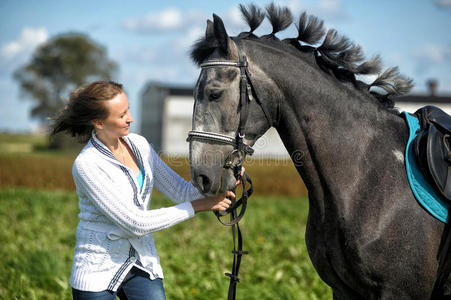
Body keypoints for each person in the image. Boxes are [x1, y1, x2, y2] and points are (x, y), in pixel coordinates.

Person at [51, 81, 239, 300]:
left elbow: (182, 192)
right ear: (99, 122)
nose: (130, 118)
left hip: (141, 261)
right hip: (96, 271)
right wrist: (198, 206)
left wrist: (226, 178)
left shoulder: (139, 145)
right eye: (121, 115)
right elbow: (135, 223)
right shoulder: (87, 164)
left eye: (128, 109)